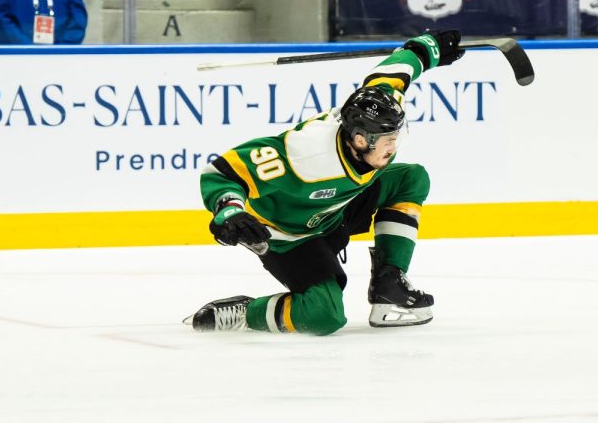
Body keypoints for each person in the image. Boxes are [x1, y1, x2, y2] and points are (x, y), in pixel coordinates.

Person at [184, 31, 465, 336]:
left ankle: (388, 281)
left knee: (411, 177)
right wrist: (229, 212)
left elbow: (392, 72)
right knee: (324, 315)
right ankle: (245, 313)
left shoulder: (379, 113)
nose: (394, 147)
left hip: (333, 210)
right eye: (388, 141)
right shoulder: (306, 153)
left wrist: (425, 50)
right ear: (360, 139)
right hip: (289, 236)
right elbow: (222, 172)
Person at [0, 0, 88, 45]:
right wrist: (28, 49)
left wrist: (63, 48)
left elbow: (78, 16)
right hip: (16, 62)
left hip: (61, 61)